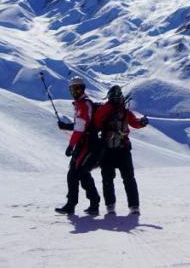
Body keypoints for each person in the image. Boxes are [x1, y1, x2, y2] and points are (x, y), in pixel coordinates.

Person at [92, 84, 149, 213]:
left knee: (108, 179)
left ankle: (110, 206)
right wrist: (142, 122)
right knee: (129, 179)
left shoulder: (105, 109)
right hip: (123, 148)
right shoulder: (124, 111)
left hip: (108, 149)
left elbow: (96, 123)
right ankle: (134, 207)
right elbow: (134, 122)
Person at [54, 77, 101, 215]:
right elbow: (81, 125)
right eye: (73, 89)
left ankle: (73, 204)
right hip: (85, 142)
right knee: (80, 173)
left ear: (83, 88)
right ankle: (93, 203)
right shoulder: (82, 103)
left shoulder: (83, 104)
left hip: (87, 144)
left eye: (78, 88)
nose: (75, 91)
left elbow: (80, 128)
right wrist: (67, 126)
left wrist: (70, 146)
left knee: (75, 173)